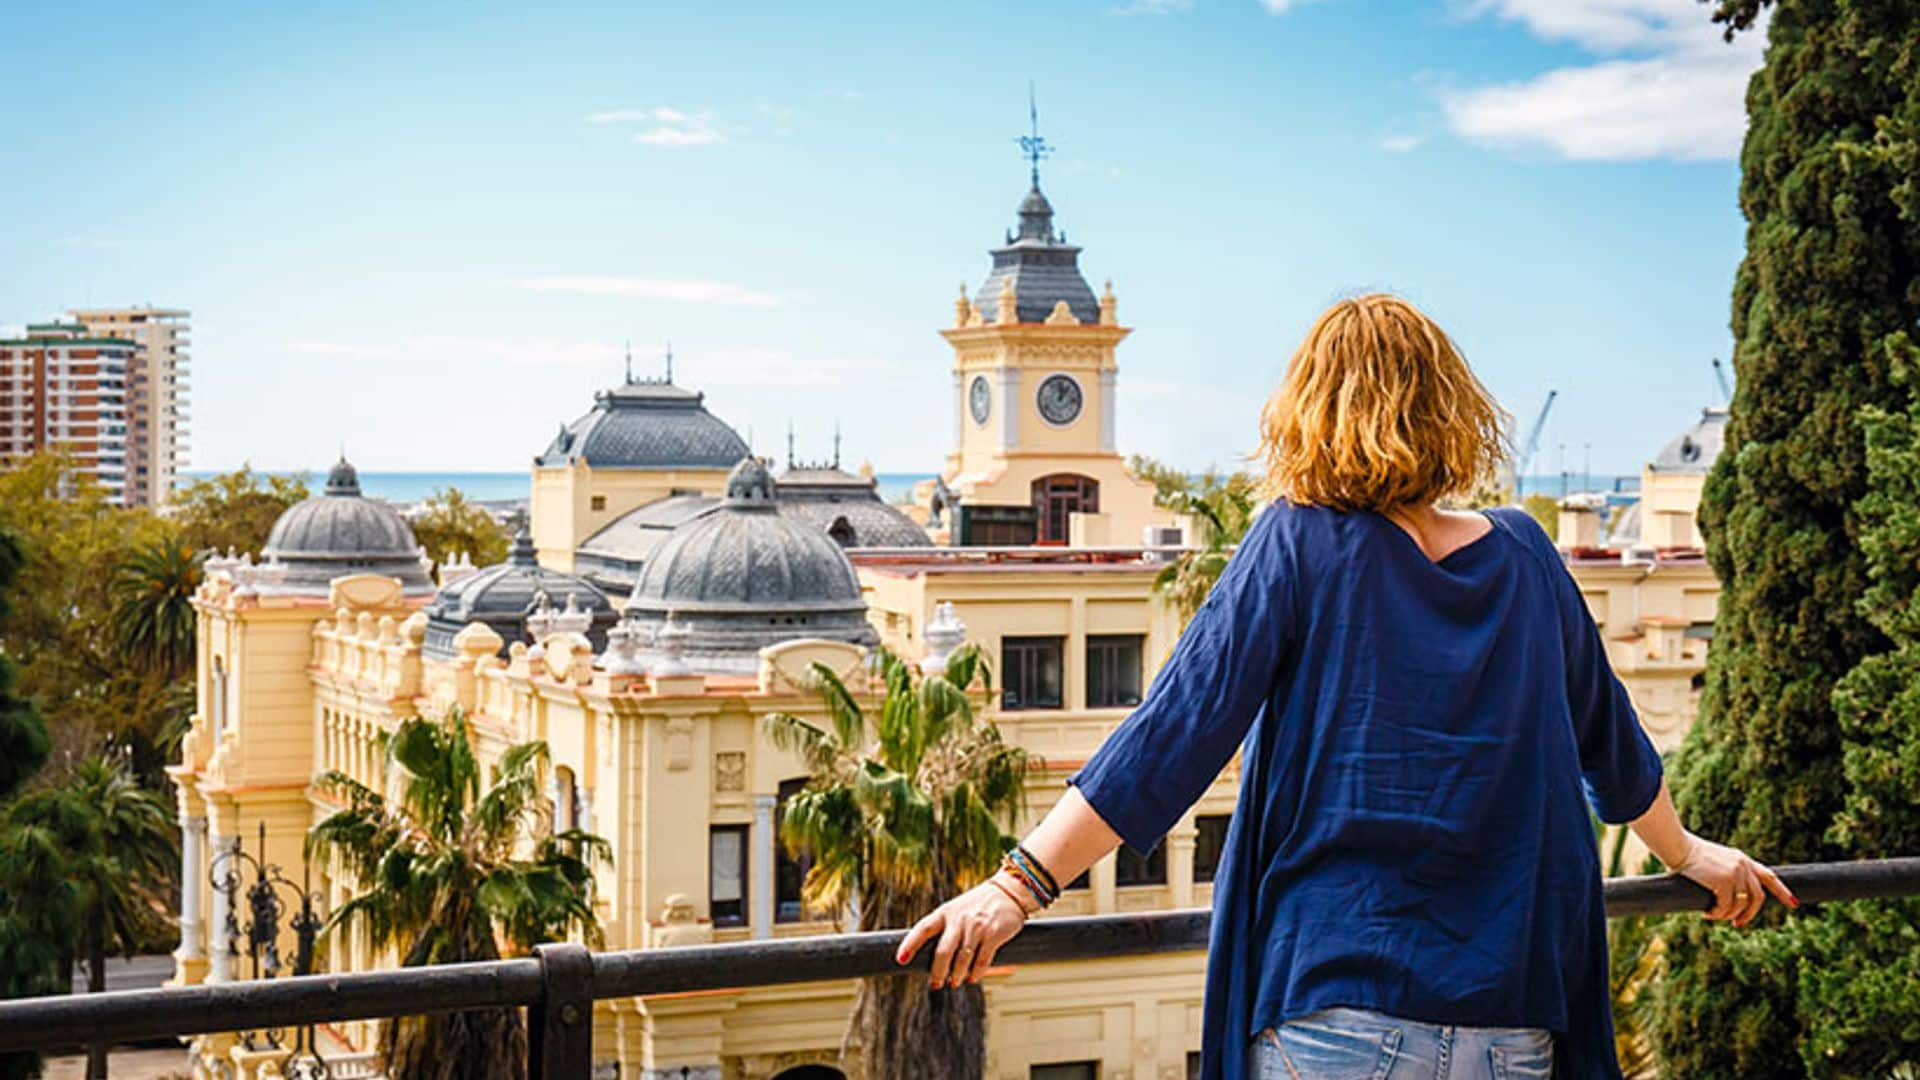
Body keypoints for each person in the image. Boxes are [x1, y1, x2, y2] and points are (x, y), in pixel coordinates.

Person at [895, 294, 1796, 1079]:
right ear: (1454, 411)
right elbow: (1617, 748)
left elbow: (1173, 734)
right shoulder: (1527, 553)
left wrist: (1017, 886)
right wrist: (1687, 857)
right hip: (1515, 1021)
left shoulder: (1297, 542)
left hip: (1337, 1014)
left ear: (1310, 412)